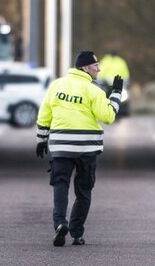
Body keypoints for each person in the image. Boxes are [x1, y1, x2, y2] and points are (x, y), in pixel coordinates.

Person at [36, 50, 123, 246]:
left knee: (60, 185)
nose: (99, 69)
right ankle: (76, 233)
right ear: (85, 68)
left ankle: (60, 223)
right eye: (95, 66)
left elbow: (45, 113)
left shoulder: (56, 85)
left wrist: (41, 139)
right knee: (83, 190)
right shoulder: (94, 91)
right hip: (86, 148)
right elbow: (108, 116)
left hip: (61, 146)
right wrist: (116, 93)